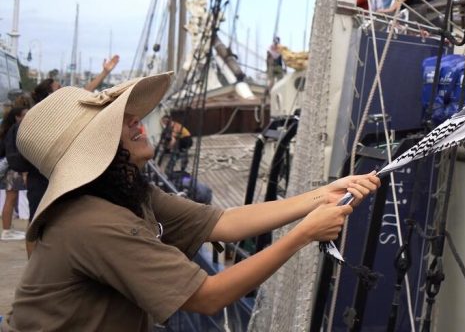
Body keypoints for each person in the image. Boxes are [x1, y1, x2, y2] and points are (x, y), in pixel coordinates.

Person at [7, 73, 380, 329]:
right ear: (97, 149)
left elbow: (225, 222)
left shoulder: (127, 193)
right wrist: (303, 234)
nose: (138, 121)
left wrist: (323, 194)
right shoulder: (93, 223)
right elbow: (208, 297)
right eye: (123, 121)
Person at [24, 55, 119, 257]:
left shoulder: (62, 114)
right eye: (58, 88)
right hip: (40, 177)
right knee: (36, 223)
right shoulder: (37, 118)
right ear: (49, 95)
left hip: (55, 175)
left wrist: (105, 72)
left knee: (56, 222)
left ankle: (48, 265)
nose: (64, 91)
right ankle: (33, 268)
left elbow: (84, 94)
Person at [1, 103, 29, 241]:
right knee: (11, 199)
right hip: (14, 170)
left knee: (11, 199)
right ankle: (6, 231)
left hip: (11, 169)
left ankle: (8, 229)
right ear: (18, 117)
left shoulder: (10, 129)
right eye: (25, 114)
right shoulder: (17, 129)